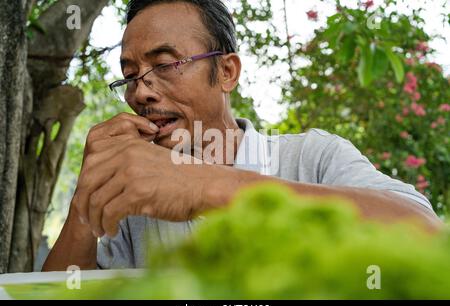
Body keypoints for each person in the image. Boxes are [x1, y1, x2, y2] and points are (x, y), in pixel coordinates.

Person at [43, 0, 442, 271]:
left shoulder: (311, 157)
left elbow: (425, 234)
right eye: (130, 77)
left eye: (164, 65)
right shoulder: (133, 204)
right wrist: (87, 198)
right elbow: (57, 293)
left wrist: (204, 186)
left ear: (227, 72)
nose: (141, 92)